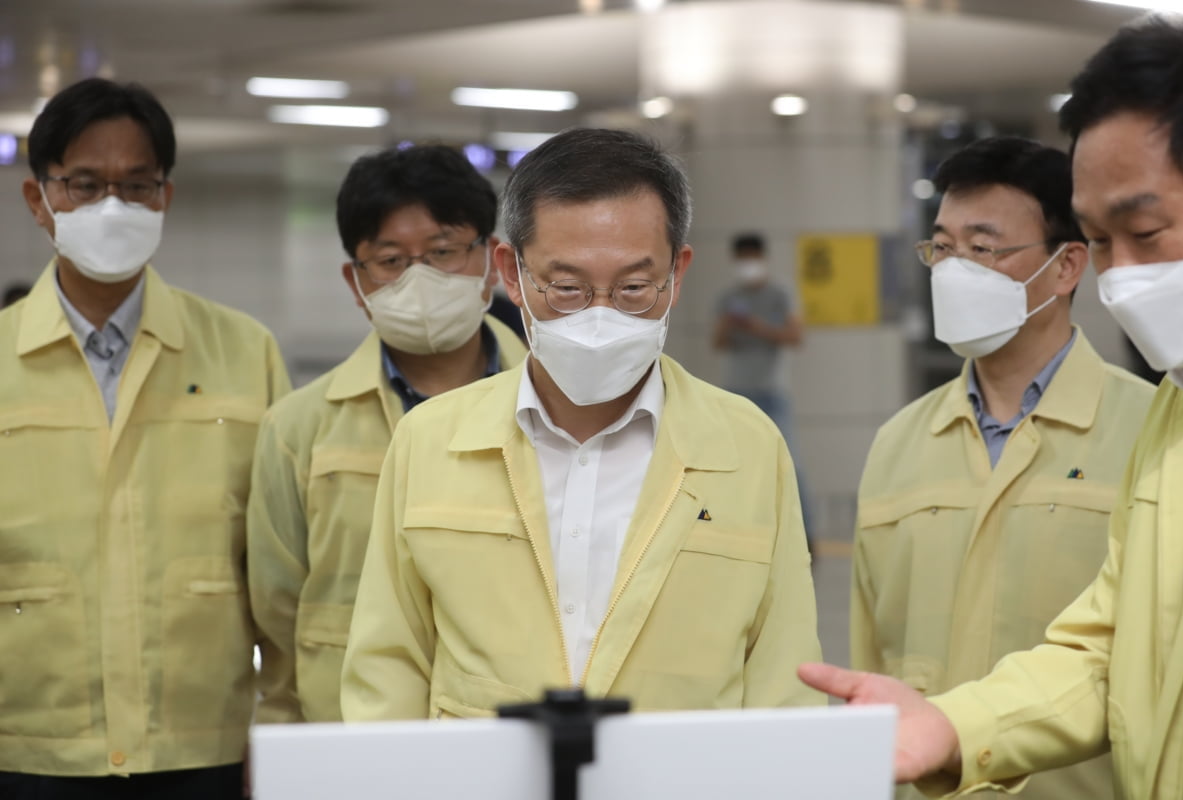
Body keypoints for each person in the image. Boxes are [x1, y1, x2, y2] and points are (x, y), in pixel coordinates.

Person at [799, 14, 1183, 799]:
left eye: (1146, 232)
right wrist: (950, 729)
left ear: (1060, 269)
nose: (1122, 281)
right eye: (1106, 242)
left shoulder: (1134, 418)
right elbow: (1107, 652)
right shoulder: (1178, 421)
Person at [341, 128, 823, 720]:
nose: (600, 315)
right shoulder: (431, 439)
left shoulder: (746, 445)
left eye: (634, 288)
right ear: (511, 274)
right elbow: (388, 665)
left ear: (678, 273)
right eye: (567, 288)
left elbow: (783, 676)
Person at [0, 78, 290, 799]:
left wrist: (280, 732)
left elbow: (283, 574)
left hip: (203, 750)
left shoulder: (242, 350)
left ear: (165, 197)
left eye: (137, 186)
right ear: (40, 200)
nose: (113, 207)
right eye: (86, 184)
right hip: (29, 751)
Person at [851, 136, 1154, 800]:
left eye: (982, 248)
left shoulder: (1152, 435)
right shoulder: (899, 443)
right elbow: (869, 659)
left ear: (1067, 265)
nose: (954, 270)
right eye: (943, 247)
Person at [247, 145, 527, 724]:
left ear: (494, 262)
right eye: (392, 260)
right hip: (350, 735)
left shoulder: (558, 406)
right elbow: (278, 614)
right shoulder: (299, 428)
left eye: (444, 252)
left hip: (505, 733)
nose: (419, 278)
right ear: (356, 280)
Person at [713, 233, 814, 539]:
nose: (747, 265)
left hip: (771, 391)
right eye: (742, 259)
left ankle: (804, 534)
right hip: (736, 391)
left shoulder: (780, 293)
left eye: (751, 258)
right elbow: (717, 344)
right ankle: (740, 531)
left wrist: (758, 327)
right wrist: (728, 325)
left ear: (762, 258)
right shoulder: (728, 298)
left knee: (789, 465)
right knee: (735, 466)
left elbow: (796, 337)